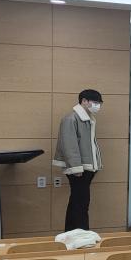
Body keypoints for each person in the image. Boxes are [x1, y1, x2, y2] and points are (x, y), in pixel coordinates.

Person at [53, 89, 103, 231]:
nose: (97, 106)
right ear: (84, 101)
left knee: (79, 202)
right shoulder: (71, 119)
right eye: (95, 102)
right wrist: (76, 168)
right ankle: (81, 233)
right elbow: (69, 145)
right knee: (80, 203)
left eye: (99, 103)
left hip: (85, 168)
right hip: (79, 169)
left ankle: (73, 232)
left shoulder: (88, 119)